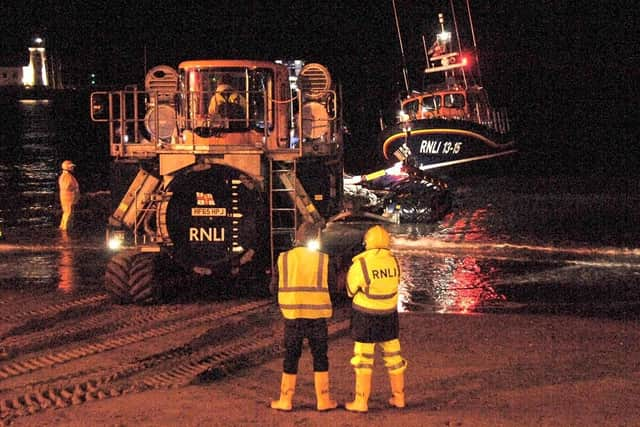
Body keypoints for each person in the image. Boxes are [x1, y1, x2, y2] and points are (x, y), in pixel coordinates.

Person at [270, 221, 338, 412]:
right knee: (320, 357)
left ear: (297, 238)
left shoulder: (283, 258)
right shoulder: (324, 259)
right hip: (317, 317)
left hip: (292, 316)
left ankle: (285, 400)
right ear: (315, 238)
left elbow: (273, 288)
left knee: (291, 356)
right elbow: (332, 287)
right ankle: (323, 400)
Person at [344, 225, 407, 412]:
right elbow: (396, 283)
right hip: (389, 316)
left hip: (365, 317)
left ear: (367, 243)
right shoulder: (394, 261)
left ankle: (361, 401)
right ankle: (399, 397)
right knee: (394, 358)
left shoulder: (361, 264)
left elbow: (350, 290)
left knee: (363, 359)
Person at [58, 160, 80, 231]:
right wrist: (74, 189)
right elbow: (67, 187)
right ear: (68, 167)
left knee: (66, 213)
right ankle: (65, 230)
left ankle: (63, 228)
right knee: (68, 214)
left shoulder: (64, 176)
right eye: (71, 167)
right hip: (69, 198)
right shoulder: (67, 176)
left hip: (67, 197)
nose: (72, 168)